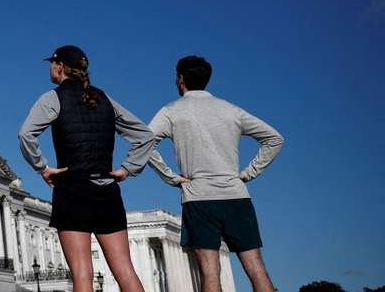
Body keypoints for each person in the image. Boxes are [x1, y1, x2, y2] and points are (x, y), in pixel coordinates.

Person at [19, 45, 156, 292]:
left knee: (83, 273)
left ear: (60, 67)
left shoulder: (52, 98)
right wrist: (127, 168)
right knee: (125, 271)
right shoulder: (104, 98)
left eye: (52, 63)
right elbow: (145, 135)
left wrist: (42, 167)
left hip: (72, 190)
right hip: (107, 192)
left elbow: (26, 134)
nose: (50, 67)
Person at [146, 56, 283, 292]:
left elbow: (143, 143)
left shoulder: (171, 111)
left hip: (198, 198)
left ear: (180, 79)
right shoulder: (230, 109)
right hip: (236, 196)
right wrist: (248, 173)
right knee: (256, 268)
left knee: (209, 273)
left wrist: (171, 177)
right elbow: (274, 139)